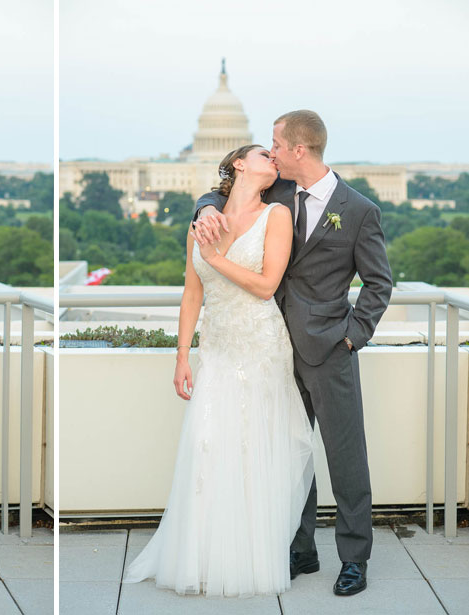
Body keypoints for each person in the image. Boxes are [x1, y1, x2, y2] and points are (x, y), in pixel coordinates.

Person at [191, 110, 393, 596]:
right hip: (271, 348)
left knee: (345, 457)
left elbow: (379, 284)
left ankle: (354, 559)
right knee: (289, 453)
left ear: (298, 150)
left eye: (276, 144)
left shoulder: (358, 209)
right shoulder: (276, 193)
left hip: (329, 349)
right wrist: (203, 211)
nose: (271, 151)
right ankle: (301, 550)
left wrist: (351, 337)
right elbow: (218, 194)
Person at [123, 144, 315, 596]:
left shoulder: (277, 215)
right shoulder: (203, 220)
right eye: (264, 154)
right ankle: (205, 554)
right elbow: (192, 295)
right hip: (217, 348)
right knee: (209, 446)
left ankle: (251, 559)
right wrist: (182, 356)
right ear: (238, 165)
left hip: (259, 346)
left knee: (253, 450)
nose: (274, 159)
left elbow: (267, 285)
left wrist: (216, 259)